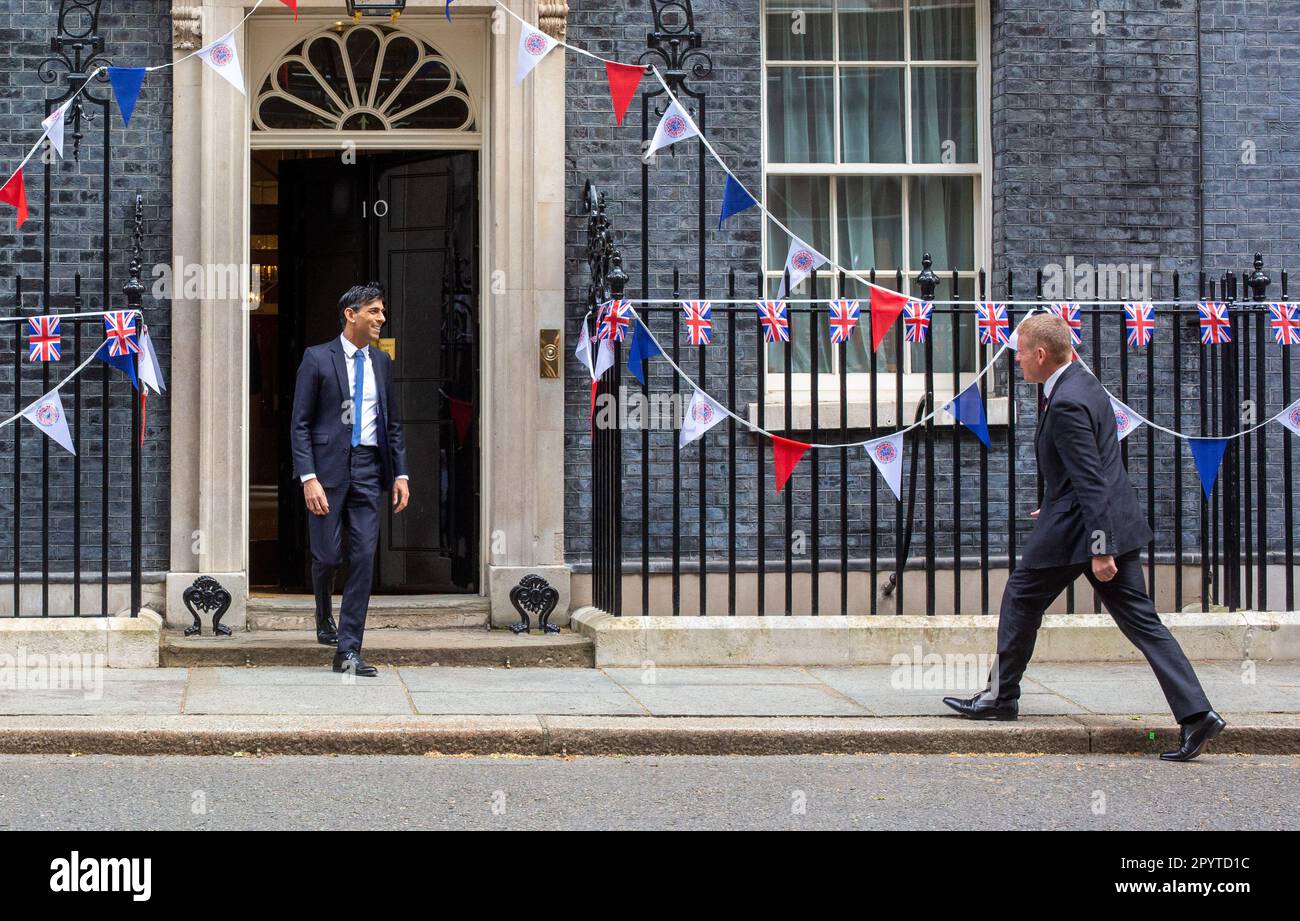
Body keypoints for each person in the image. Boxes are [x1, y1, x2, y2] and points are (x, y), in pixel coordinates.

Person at [942, 314, 1224, 762]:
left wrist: (1101, 546)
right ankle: (1197, 714)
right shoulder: (1082, 381)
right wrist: (1054, 499)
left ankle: (1001, 697)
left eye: (1020, 353)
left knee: (1020, 596)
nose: (1015, 360)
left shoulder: (1069, 400)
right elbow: (1088, 465)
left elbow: (1092, 478)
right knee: (1142, 623)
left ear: (1040, 355)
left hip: (1085, 528)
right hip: (1092, 518)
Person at [290, 282, 410, 677]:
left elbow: (392, 425)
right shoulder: (316, 359)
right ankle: (323, 613)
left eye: (381, 311)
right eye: (374, 311)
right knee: (326, 555)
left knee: (362, 559)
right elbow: (301, 424)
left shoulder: (382, 363)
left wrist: (400, 473)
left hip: (369, 470)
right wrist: (308, 477)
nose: (381, 318)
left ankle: (348, 649)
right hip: (326, 473)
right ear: (351, 314)